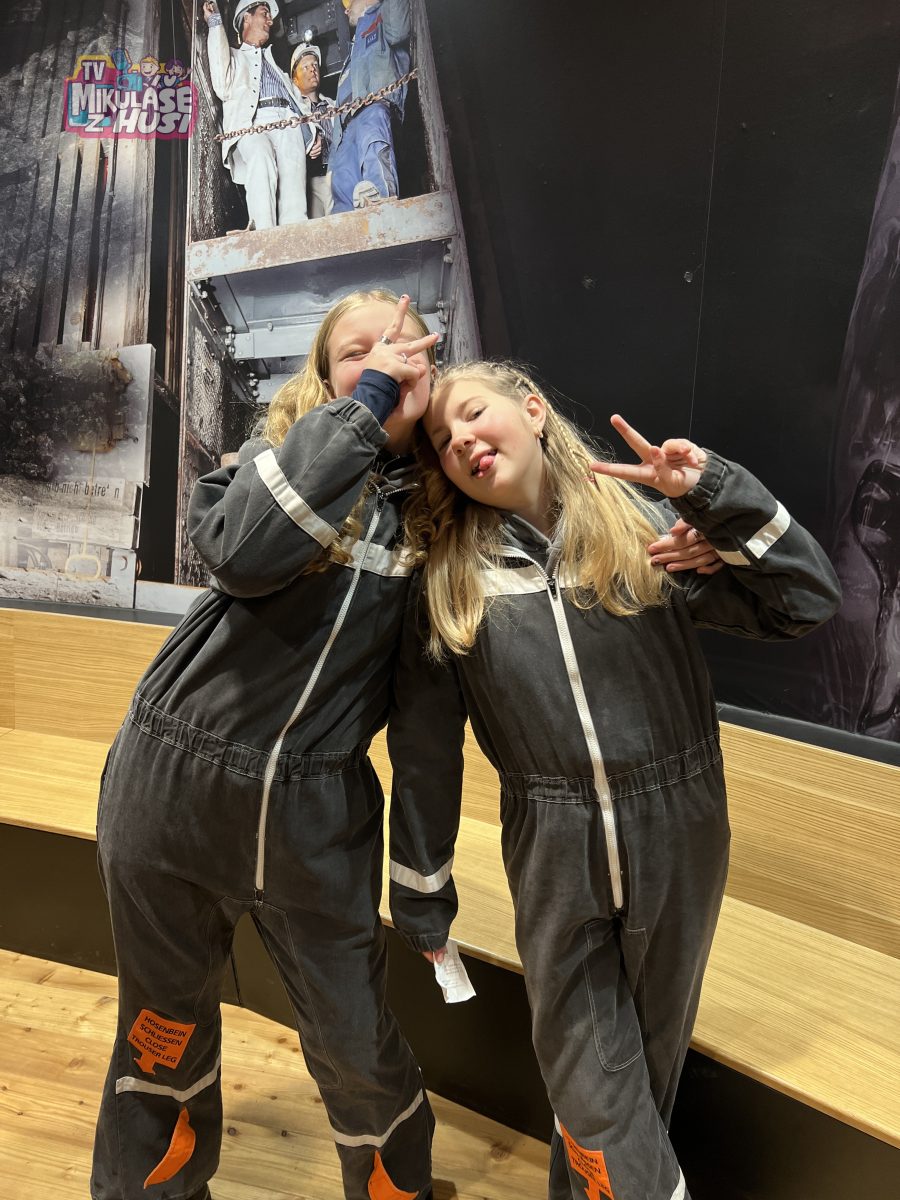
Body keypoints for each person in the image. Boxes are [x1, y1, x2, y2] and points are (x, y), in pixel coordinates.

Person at [386, 361, 842, 1200]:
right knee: (589, 1074)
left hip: (681, 828)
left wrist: (716, 497)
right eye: (443, 442)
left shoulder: (646, 529)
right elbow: (425, 752)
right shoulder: (449, 582)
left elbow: (805, 601)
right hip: (551, 844)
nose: (462, 442)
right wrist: (421, 892)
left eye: (474, 414)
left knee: (646, 1066)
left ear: (533, 410)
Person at [90, 292, 441, 1200]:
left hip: (316, 824)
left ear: (433, 369)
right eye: (356, 352)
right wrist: (365, 411)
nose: (382, 358)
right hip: (173, 787)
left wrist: (424, 881)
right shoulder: (270, 463)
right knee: (161, 1033)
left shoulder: (444, 525)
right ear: (326, 380)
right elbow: (240, 554)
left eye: (402, 345)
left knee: (357, 1042)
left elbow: (428, 729)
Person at [204, 0, 321, 230]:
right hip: (252, 123)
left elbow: (299, 102)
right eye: (264, 14)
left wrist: (312, 133)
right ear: (247, 18)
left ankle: (295, 233)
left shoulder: (277, 68)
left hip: (288, 121)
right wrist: (215, 24)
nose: (270, 21)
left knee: (293, 175)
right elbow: (222, 85)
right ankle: (263, 232)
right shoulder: (234, 57)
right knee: (260, 155)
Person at [330, 0, 411, 212]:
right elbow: (338, 111)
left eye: (350, 2)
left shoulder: (381, 19)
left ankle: (381, 203)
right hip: (349, 126)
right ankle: (344, 221)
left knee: (373, 144)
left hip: (376, 106)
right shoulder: (351, 56)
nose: (346, 10)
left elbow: (399, 30)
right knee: (342, 174)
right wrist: (331, 163)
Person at [290, 41, 335, 218]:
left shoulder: (334, 105)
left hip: (335, 175)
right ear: (294, 79)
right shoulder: (292, 111)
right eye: (305, 67)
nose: (312, 70)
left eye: (315, 65)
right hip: (310, 181)